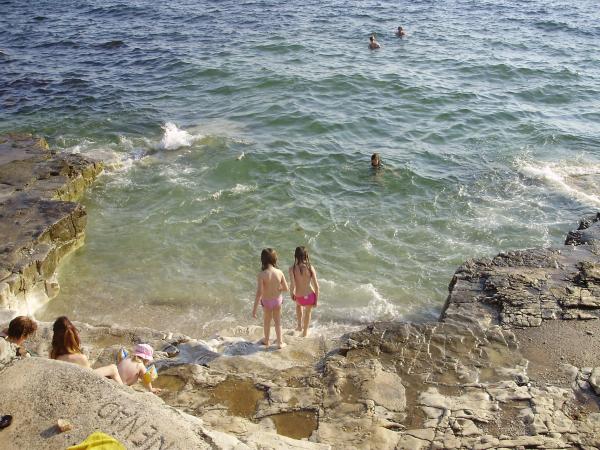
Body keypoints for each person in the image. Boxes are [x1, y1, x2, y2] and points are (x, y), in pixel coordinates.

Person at [50, 316, 123, 384]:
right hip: (82, 381)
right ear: (73, 336)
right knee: (113, 368)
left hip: (69, 379)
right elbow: (89, 376)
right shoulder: (80, 358)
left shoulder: (53, 353)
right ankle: (124, 390)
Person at [252, 248, 289, 349]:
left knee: (267, 322)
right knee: (278, 321)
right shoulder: (279, 272)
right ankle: (280, 342)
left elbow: (259, 292)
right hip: (277, 300)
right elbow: (286, 288)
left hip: (266, 302)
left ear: (262, 260)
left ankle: (267, 340)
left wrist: (254, 309)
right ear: (275, 259)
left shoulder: (261, 275)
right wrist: (279, 288)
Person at [289, 246, 320, 337]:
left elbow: (292, 284)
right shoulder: (310, 267)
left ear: (295, 256)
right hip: (310, 296)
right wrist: (316, 300)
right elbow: (316, 286)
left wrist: (292, 294)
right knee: (308, 312)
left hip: (299, 297)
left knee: (298, 306)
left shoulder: (292, 268)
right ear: (306, 255)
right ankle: (305, 332)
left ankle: (299, 326)